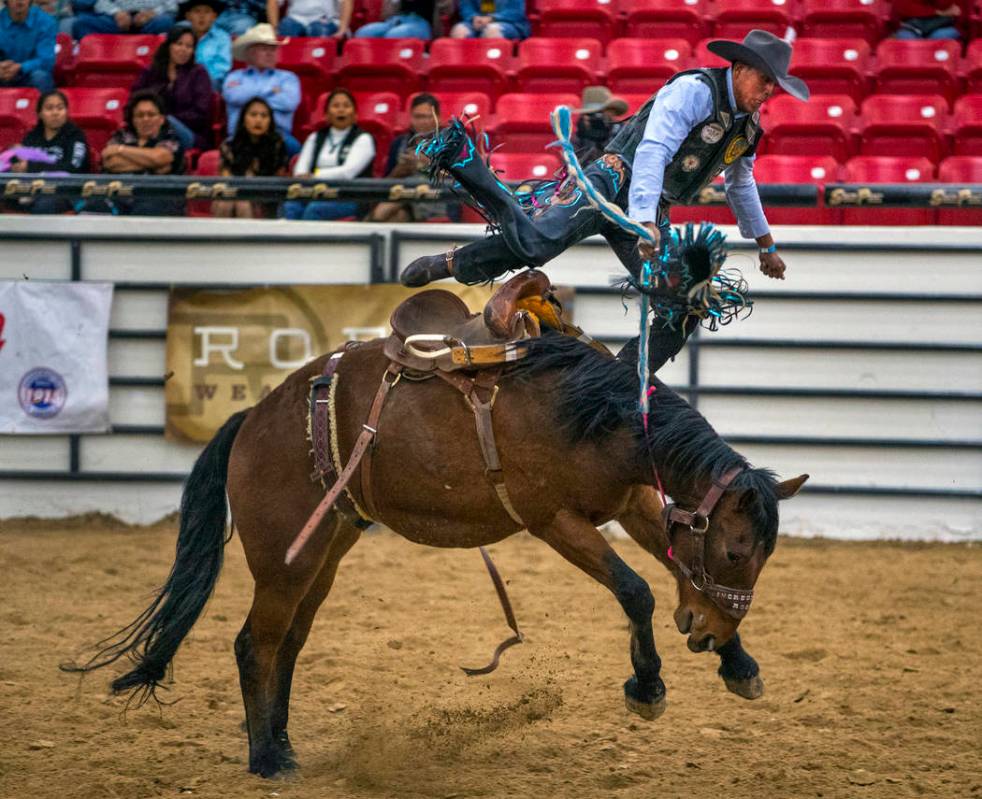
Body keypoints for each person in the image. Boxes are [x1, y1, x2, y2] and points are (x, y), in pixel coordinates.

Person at [400, 30, 810, 372]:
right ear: (738, 70)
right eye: (764, 80)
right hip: (611, 183)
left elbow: (741, 184)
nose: (769, 92)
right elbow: (652, 151)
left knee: (686, 302)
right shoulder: (694, 91)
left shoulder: (748, 130)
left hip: (648, 208)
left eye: (775, 85)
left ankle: (621, 378)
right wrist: (645, 222)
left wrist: (765, 245)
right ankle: (453, 260)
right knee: (537, 244)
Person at [282, 87, 375, 221]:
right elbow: (300, 169)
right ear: (326, 115)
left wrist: (314, 176)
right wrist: (304, 176)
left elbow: (347, 173)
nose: (341, 110)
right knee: (291, 206)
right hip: (314, 191)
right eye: (335, 106)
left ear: (355, 115)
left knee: (315, 209)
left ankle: (305, 242)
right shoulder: (315, 137)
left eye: (346, 106)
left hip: (350, 196)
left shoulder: (364, 139)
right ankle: (286, 242)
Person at [90, 89, 185, 216]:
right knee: (93, 208)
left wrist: (121, 150)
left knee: (145, 212)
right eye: (140, 115)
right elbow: (110, 162)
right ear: (133, 119)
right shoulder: (122, 135)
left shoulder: (170, 137)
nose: (145, 119)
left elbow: (160, 158)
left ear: (161, 119)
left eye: (151, 115)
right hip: (117, 193)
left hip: (156, 196)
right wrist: (150, 163)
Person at [367, 92, 457, 222]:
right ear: (411, 118)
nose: (423, 122)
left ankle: (360, 235)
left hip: (436, 199)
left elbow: (458, 179)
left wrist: (426, 164)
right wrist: (399, 171)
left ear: (438, 118)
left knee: (385, 212)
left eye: (428, 117)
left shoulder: (450, 144)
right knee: (395, 216)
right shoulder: (399, 143)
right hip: (403, 195)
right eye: (418, 117)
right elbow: (387, 181)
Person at [222, 24, 301, 155]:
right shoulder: (234, 76)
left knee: (294, 148)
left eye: (273, 49)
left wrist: (250, 96)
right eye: (264, 49)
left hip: (279, 135)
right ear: (250, 53)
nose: (270, 53)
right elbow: (234, 96)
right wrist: (272, 91)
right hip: (240, 136)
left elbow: (289, 103)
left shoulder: (288, 78)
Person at [7, 90, 89, 214]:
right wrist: (15, 161)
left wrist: (31, 167)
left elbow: (72, 168)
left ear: (66, 112)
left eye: (60, 108)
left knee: (44, 204)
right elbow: (18, 159)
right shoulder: (32, 136)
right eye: (49, 108)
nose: (55, 113)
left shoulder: (75, 136)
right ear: (40, 114)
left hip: (66, 191)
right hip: (30, 188)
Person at [132, 26, 213, 150]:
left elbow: (200, 114)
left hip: (188, 132)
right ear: (169, 45)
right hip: (149, 129)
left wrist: (164, 120)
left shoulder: (198, 73)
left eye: (189, 46)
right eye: (179, 44)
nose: (183, 50)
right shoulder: (151, 71)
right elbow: (135, 101)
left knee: (161, 120)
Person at [212, 96, 288, 218]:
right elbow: (226, 180)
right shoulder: (229, 146)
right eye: (253, 115)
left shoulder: (277, 145)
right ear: (243, 119)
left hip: (266, 197)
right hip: (234, 193)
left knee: (242, 204)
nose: (258, 120)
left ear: (270, 121)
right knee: (227, 202)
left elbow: (278, 181)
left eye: (264, 116)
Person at [0, 0, 55, 94]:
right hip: (3, 75)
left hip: (29, 75)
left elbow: (47, 61)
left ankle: (43, 107)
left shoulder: (45, 22)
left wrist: (21, 67)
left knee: (40, 77)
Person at [177, 0, 231, 90]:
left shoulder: (222, 38)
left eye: (207, 12)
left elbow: (221, 69)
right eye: (197, 11)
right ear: (188, 16)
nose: (202, 16)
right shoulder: (179, 36)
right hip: (181, 81)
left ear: (214, 16)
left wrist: (199, 80)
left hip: (210, 83)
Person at [571, 85, 628, 164]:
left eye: (600, 114)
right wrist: (583, 135)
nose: (596, 119)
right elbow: (572, 166)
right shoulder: (578, 134)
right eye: (591, 114)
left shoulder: (623, 132)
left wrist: (605, 139)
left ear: (612, 112)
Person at [73, 0, 177, 37]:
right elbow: (100, 2)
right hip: (117, 20)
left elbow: (172, 6)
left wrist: (152, 14)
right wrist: (116, 13)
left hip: (151, 21)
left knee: (165, 22)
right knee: (82, 23)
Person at [354, 0, 437, 39]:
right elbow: (384, 16)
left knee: (394, 35)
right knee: (363, 33)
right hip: (395, 21)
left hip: (420, 22)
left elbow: (445, 9)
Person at [450, 0, 529, 40]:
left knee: (492, 31)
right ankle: (464, 68)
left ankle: (490, 68)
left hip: (509, 23)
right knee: (459, 31)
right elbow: (466, 7)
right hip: (476, 21)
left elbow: (516, 12)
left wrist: (492, 18)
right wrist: (473, 17)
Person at [268, 0, 351, 37]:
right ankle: (285, 69)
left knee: (318, 29)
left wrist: (342, 29)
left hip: (325, 19)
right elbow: (273, 2)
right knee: (287, 27)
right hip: (295, 18)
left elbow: (346, 2)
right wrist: (274, 28)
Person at [893, 0, 961, 39]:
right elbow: (903, 8)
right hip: (911, 26)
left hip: (938, 26)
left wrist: (940, 12)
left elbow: (954, 10)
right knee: (908, 40)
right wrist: (937, 12)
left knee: (947, 35)